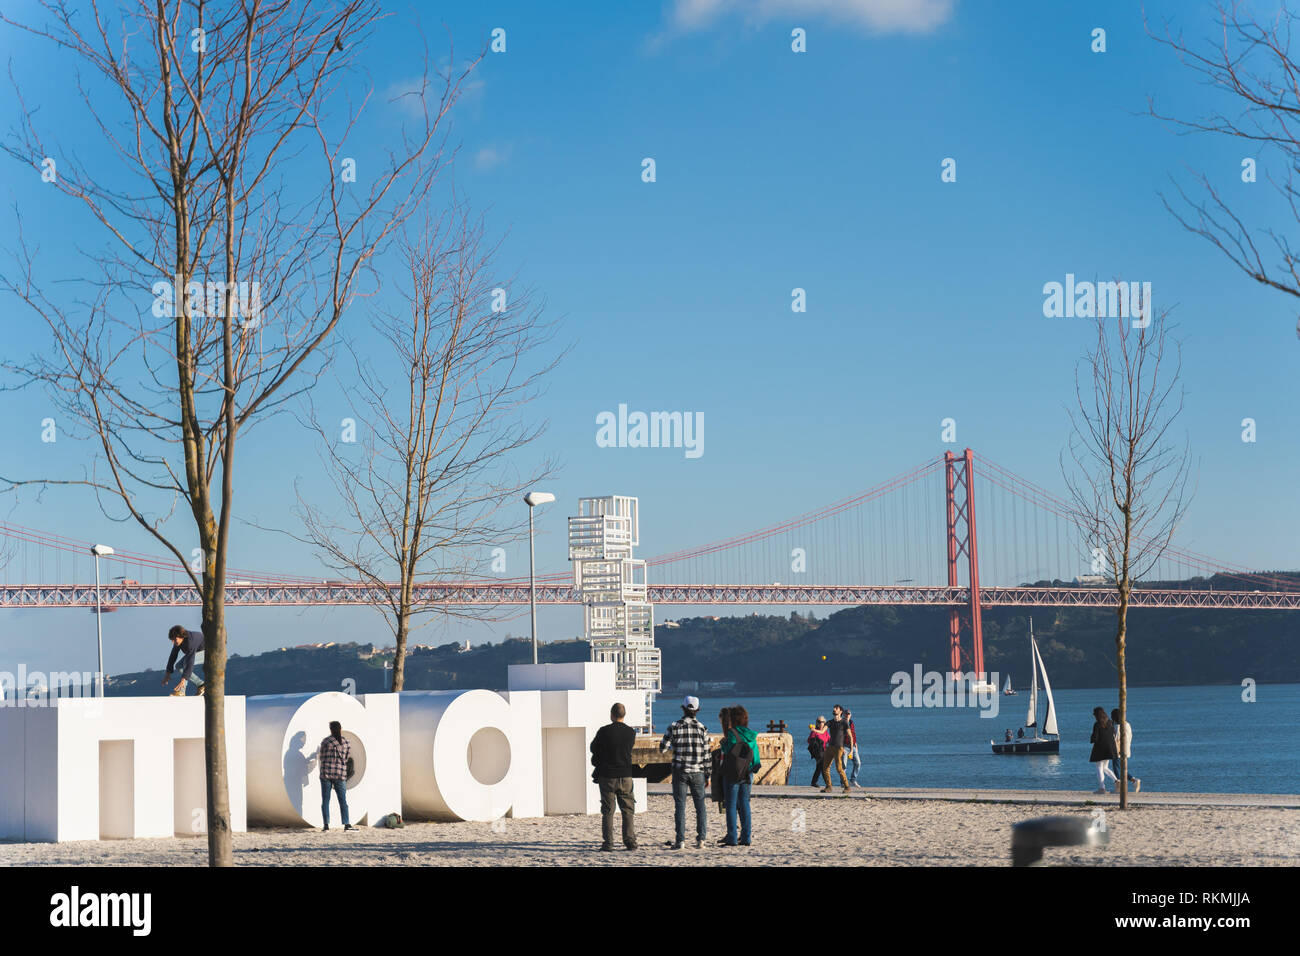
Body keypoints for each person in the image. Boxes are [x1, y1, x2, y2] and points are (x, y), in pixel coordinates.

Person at [659, 695, 711, 849]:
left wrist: (674, 746)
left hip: (680, 771)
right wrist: (708, 775)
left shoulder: (674, 726)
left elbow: (662, 749)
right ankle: (701, 839)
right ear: (698, 710)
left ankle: (680, 840)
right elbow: (707, 755)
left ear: (683, 708)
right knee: (700, 806)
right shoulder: (703, 728)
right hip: (698, 772)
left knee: (680, 807)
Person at [590, 702, 638, 851]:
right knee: (628, 810)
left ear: (611, 714)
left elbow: (593, 748)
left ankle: (608, 843)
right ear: (624, 715)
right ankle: (629, 841)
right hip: (625, 775)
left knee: (608, 811)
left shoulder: (604, 731)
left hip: (607, 775)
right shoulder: (631, 732)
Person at [719, 704, 761, 846]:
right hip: (747, 773)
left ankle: (732, 838)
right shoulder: (751, 735)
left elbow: (727, 750)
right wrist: (752, 769)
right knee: (745, 805)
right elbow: (755, 757)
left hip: (733, 774)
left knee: (731, 806)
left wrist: (723, 744)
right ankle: (746, 838)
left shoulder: (732, 734)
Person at [318, 720, 353, 831]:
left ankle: (326, 825)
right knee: (343, 800)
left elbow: (322, 758)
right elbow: (346, 758)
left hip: (326, 773)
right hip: (340, 773)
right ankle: (347, 824)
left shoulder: (326, 741)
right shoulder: (346, 742)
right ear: (340, 729)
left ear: (330, 729)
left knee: (325, 800)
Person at [161, 625, 206, 697]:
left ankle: (181, 691)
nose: (173, 642)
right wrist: (168, 673)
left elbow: (190, 662)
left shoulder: (190, 642)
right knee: (178, 666)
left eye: (174, 639)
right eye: (172, 639)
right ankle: (201, 684)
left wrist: (183, 679)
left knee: (186, 663)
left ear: (181, 636)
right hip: (199, 651)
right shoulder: (178, 641)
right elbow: (173, 656)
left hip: (211, 652)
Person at [819, 704, 851, 793]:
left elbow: (850, 736)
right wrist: (814, 730)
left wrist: (851, 750)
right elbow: (822, 731)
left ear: (840, 711)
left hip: (839, 748)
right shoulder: (830, 722)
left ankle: (847, 787)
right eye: (834, 708)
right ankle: (829, 787)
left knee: (839, 768)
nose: (834, 710)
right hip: (830, 747)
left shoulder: (844, 722)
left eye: (836, 709)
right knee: (825, 767)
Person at [1089, 706, 1120, 794]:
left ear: (1097, 715)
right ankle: (1117, 781)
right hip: (1110, 748)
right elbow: (1113, 734)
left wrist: (1091, 739)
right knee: (1105, 767)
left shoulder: (1097, 724)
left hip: (1100, 749)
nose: (1094, 715)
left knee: (1099, 767)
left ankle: (1102, 788)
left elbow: (1095, 738)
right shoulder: (1110, 722)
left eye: (1094, 714)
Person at [1110, 708, 1141, 793]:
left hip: (1118, 750)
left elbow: (1115, 739)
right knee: (1122, 768)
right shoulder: (1127, 724)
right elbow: (1130, 736)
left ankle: (1119, 787)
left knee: (1116, 767)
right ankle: (1133, 780)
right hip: (1126, 748)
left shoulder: (1117, 726)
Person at [711, 707, 732, 810]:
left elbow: (726, 754)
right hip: (744, 771)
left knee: (730, 803)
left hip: (730, 772)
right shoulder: (739, 733)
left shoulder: (729, 736)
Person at [807, 716, 829, 787]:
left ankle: (814, 782)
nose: (820, 723)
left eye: (822, 722)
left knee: (819, 767)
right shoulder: (814, 731)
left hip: (824, 751)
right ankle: (827, 783)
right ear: (816, 723)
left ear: (824, 723)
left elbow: (829, 740)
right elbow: (809, 740)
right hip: (818, 752)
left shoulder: (825, 732)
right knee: (822, 766)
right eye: (819, 722)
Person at [844, 709, 862, 787]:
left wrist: (856, 744)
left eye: (849, 714)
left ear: (850, 715)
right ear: (843, 714)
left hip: (852, 746)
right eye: (846, 714)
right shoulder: (841, 723)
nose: (847, 715)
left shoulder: (851, 722)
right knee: (843, 766)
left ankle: (853, 780)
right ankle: (843, 782)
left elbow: (853, 734)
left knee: (858, 763)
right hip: (844, 746)